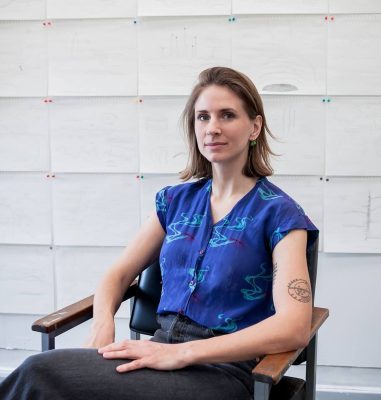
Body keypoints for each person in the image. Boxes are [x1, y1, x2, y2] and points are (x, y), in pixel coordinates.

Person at [0, 67, 318, 400]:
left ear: (254, 127)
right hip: (157, 354)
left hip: (221, 371)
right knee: (45, 373)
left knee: (41, 374)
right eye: (202, 117)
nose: (213, 128)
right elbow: (119, 273)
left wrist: (183, 353)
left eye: (227, 115)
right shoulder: (175, 202)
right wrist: (102, 323)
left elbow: (294, 327)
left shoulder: (281, 214)